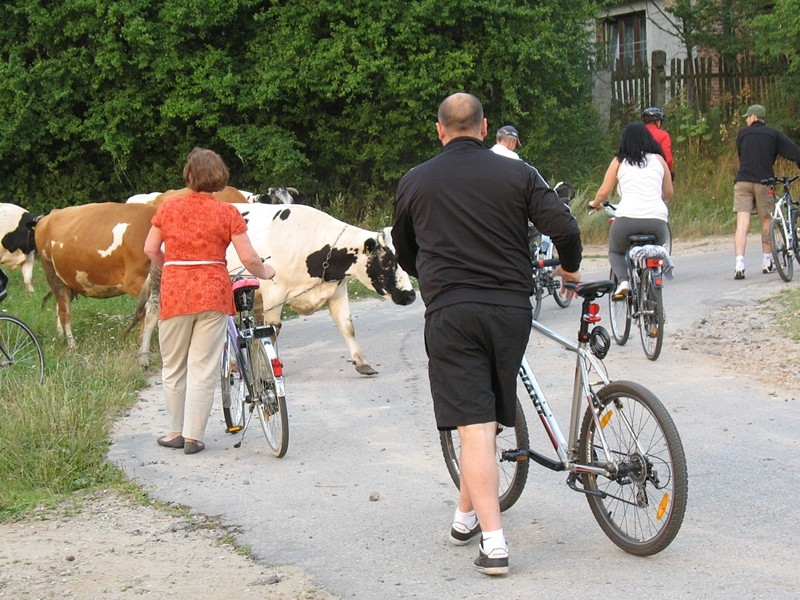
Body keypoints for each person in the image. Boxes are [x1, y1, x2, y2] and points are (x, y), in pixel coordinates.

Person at [393, 93, 582, 576]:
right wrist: (570, 271)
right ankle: (464, 518)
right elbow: (564, 225)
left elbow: (406, 252)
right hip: (509, 311)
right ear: (484, 128)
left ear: (439, 130)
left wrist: (434, 277)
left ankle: (494, 544)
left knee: (474, 425)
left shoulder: (415, 181)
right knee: (481, 420)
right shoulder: (518, 173)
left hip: (452, 312)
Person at [144, 147, 275, 455]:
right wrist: (265, 271)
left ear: (189, 176)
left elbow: (150, 249)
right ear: (220, 177)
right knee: (202, 367)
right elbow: (249, 258)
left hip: (176, 293)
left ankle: (174, 431)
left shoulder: (168, 208)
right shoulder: (228, 212)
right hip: (213, 293)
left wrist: (172, 268)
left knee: (173, 366)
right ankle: (193, 437)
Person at [588, 122, 673, 298]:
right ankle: (652, 279)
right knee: (654, 251)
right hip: (657, 222)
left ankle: (624, 281)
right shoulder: (659, 159)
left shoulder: (620, 161)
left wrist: (594, 203)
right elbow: (668, 193)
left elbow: (604, 192)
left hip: (627, 220)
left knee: (616, 251)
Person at [732, 104, 800, 280]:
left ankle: (739, 264)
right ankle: (767, 262)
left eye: (748, 117)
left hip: (743, 181)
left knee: (742, 222)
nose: (746, 120)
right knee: (766, 221)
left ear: (754, 117)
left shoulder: (742, 134)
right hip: (764, 182)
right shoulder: (773, 133)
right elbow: (793, 151)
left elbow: (742, 155)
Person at [642, 106, 674, 178]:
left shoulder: (637, 133)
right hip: (656, 173)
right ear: (657, 122)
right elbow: (668, 159)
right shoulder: (663, 135)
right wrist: (668, 174)